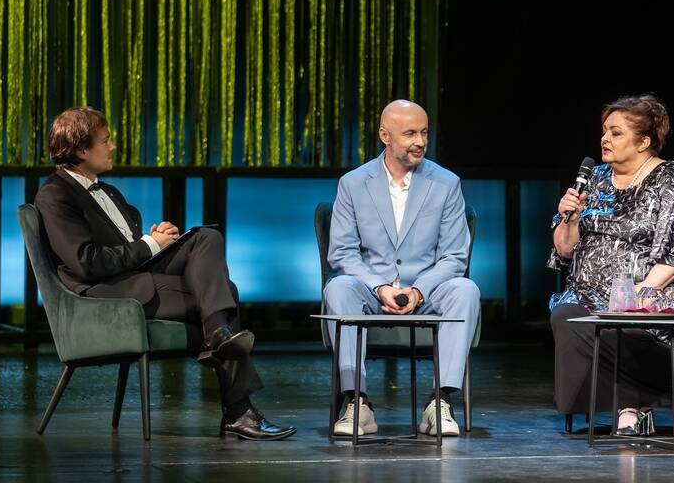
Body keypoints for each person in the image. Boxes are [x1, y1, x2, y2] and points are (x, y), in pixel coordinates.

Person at [34, 107, 296, 441]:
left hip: (133, 274)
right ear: (82, 151)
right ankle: (236, 405)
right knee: (224, 293)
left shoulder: (108, 191)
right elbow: (87, 262)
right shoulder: (55, 194)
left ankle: (218, 339)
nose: (112, 147)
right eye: (105, 141)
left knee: (206, 237)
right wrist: (148, 245)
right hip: (105, 294)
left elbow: (124, 247)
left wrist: (157, 241)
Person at [549, 94, 674, 439]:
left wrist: (637, 294)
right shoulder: (596, 178)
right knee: (566, 316)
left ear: (644, 142)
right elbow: (565, 250)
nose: (605, 139)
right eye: (604, 131)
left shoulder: (671, 178)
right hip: (590, 291)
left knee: (622, 326)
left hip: (660, 290)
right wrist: (568, 217)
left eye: (616, 133)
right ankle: (630, 406)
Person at [323, 99, 480, 437]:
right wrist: (381, 286)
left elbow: (454, 256)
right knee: (338, 287)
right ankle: (357, 402)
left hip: (427, 290)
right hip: (371, 290)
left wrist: (418, 290)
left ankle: (441, 402)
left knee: (466, 289)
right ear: (385, 135)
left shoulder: (447, 183)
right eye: (410, 133)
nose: (420, 141)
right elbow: (343, 253)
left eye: (424, 132)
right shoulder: (353, 183)